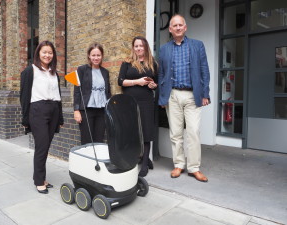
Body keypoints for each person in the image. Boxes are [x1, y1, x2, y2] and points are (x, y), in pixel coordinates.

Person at [158, 14, 210, 182]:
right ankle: (178, 164)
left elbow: (205, 71)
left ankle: (194, 167)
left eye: (181, 25)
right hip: (172, 95)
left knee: (193, 132)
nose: (178, 27)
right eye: (175, 25)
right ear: (170, 29)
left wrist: (205, 94)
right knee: (175, 133)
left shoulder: (197, 45)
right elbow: (161, 74)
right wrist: (162, 98)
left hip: (192, 95)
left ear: (185, 27)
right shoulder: (164, 49)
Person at [20, 40, 64, 194]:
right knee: (42, 146)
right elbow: (24, 96)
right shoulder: (30, 71)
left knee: (46, 146)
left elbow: (58, 96)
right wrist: (25, 119)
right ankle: (39, 181)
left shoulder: (54, 73)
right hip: (37, 110)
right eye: (44, 52)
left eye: (50, 52)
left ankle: (41, 178)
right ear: (38, 53)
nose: (47, 55)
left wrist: (60, 118)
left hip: (53, 110)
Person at [118, 36, 158, 177]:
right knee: (132, 132)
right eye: (136, 46)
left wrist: (153, 86)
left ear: (146, 47)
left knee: (147, 131)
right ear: (133, 48)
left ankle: (145, 164)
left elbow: (156, 83)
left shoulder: (152, 63)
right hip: (130, 102)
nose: (139, 48)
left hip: (147, 102)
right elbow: (120, 81)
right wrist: (137, 82)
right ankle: (136, 158)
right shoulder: (127, 63)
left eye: (141, 45)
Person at [73, 43, 111, 145]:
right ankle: (86, 161)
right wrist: (76, 110)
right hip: (86, 110)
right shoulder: (82, 70)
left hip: (101, 111)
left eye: (98, 55)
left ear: (102, 56)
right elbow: (77, 91)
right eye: (93, 55)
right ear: (89, 56)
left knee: (99, 141)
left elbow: (108, 92)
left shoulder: (105, 72)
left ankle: (96, 161)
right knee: (87, 141)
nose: (96, 58)